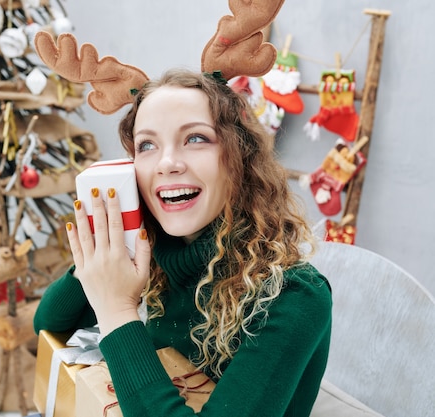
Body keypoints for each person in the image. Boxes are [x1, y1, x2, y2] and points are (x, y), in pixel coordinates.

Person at [33, 68, 332, 417]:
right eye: (147, 145)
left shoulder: (294, 294)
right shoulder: (156, 252)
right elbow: (50, 326)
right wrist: (106, 253)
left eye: (195, 139)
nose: (167, 163)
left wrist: (117, 311)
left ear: (239, 159)